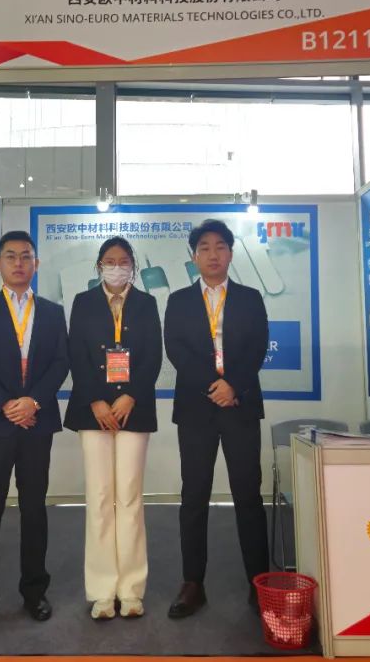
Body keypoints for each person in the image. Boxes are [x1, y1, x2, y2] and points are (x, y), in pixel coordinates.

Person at [0, 231, 69, 640]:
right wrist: (6, 404)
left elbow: (61, 362)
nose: (19, 263)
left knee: (34, 509)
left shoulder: (53, 312)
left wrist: (33, 402)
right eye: (11, 256)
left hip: (37, 423)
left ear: (36, 264)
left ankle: (34, 592)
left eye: (26, 256)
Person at [163, 219, 270, 619]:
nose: (213, 254)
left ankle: (258, 582)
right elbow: (176, 349)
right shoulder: (178, 301)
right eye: (204, 247)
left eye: (220, 246)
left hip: (240, 406)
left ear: (231, 253)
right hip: (197, 409)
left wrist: (233, 386)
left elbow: (257, 347)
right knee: (194, 496)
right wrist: (214, 385)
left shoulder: (250, 298)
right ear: (194, 256)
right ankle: (193, 583)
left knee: (248, 495)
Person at [65, 237, 162, 621]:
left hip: (133, 410)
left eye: (123, 261)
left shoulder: (146, 304)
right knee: (101, 498)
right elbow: (76, 355)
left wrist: (130, 396)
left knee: (130, 497)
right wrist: (96, 400)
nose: (116, 267)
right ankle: (103, 592)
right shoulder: (83, 302)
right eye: (109, 261)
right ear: (99, 266)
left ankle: (131, 590)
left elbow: (153, 356)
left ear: (133, 266)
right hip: (94, 411)